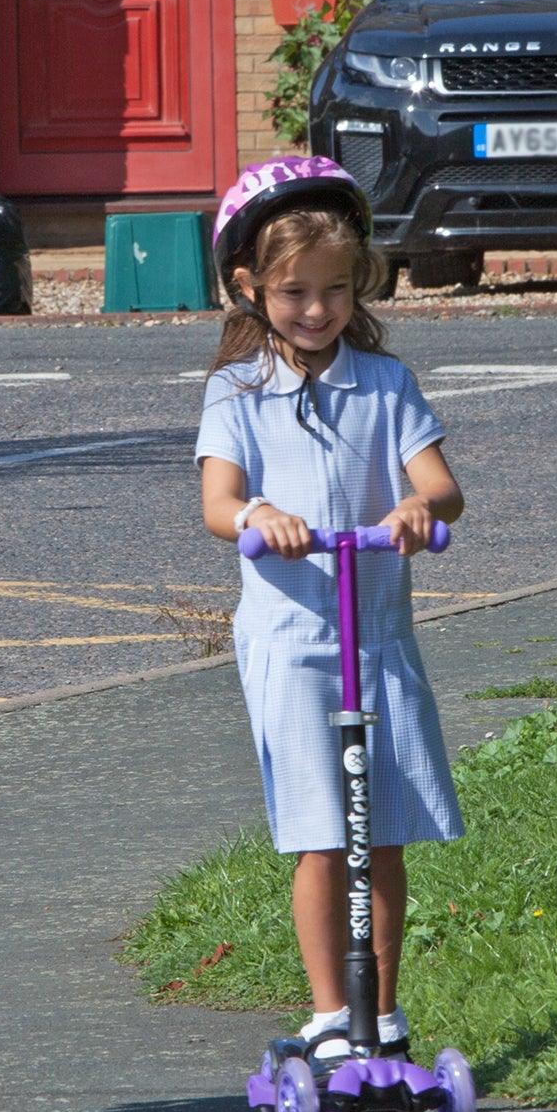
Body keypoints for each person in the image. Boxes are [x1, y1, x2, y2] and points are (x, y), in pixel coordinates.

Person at [193, 156, 463, 1066]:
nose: (317, 310)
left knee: (380, 831)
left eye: (335, 292)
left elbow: (439, 485)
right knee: (322, 831)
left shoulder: (385, 385)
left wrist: (417, 511)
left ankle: (379, 1013)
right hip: (293, 643)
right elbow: (217, 502)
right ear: (250, 287)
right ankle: (326, 1011)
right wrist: (257, 516)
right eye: (295, 292)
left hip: (376, 636)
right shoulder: (236, 394)